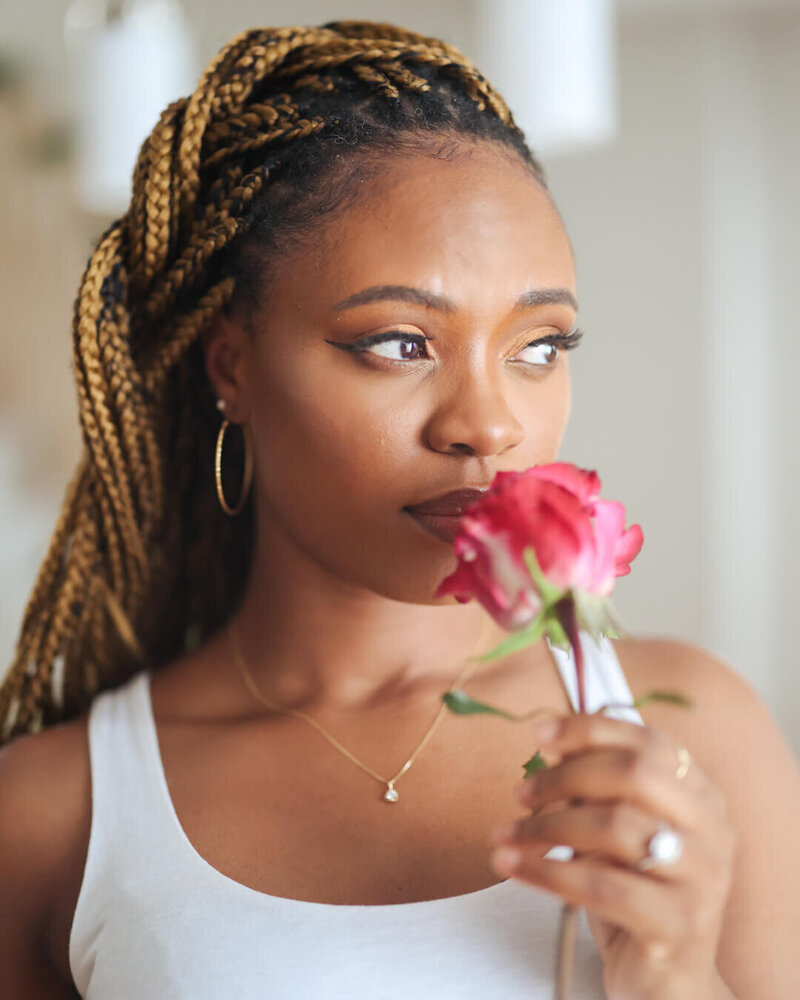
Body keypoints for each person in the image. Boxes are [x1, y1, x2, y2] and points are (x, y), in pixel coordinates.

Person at [0, 20, 798, 1000]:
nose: (487, 424)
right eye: (396, 343)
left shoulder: (694, 736)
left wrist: (671, 974)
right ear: (232, 367)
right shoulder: (53, 815)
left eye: (538, 345)